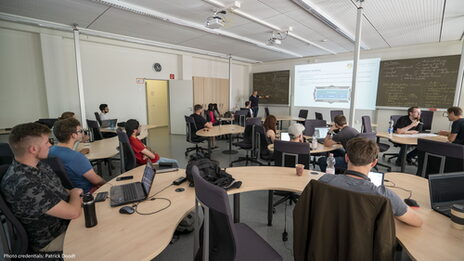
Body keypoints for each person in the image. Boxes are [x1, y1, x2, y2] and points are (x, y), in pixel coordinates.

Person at [1, 123, 83, 252]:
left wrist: (74, 195)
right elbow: (73, 212)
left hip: (66, 222)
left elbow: (61, 191)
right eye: (47, 142)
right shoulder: (23, 183)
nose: (51, 145)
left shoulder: (39, 165)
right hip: (53, 238)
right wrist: (75, 193)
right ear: (33, 149)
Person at [319, 137, 423, 227]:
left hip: (324, 243)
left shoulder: (325, 181)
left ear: (346, 158)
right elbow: (418, 222)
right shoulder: (385, 196)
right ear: (374, 163)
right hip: (363, 248)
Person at [49, 118, 106, 193]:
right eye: (80, 131)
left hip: (65, 192)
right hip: (86, 193)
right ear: (73, 135)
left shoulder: (49, 151)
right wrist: (108, 184)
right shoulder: (76, 157)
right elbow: (96, 181)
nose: (83, 133)